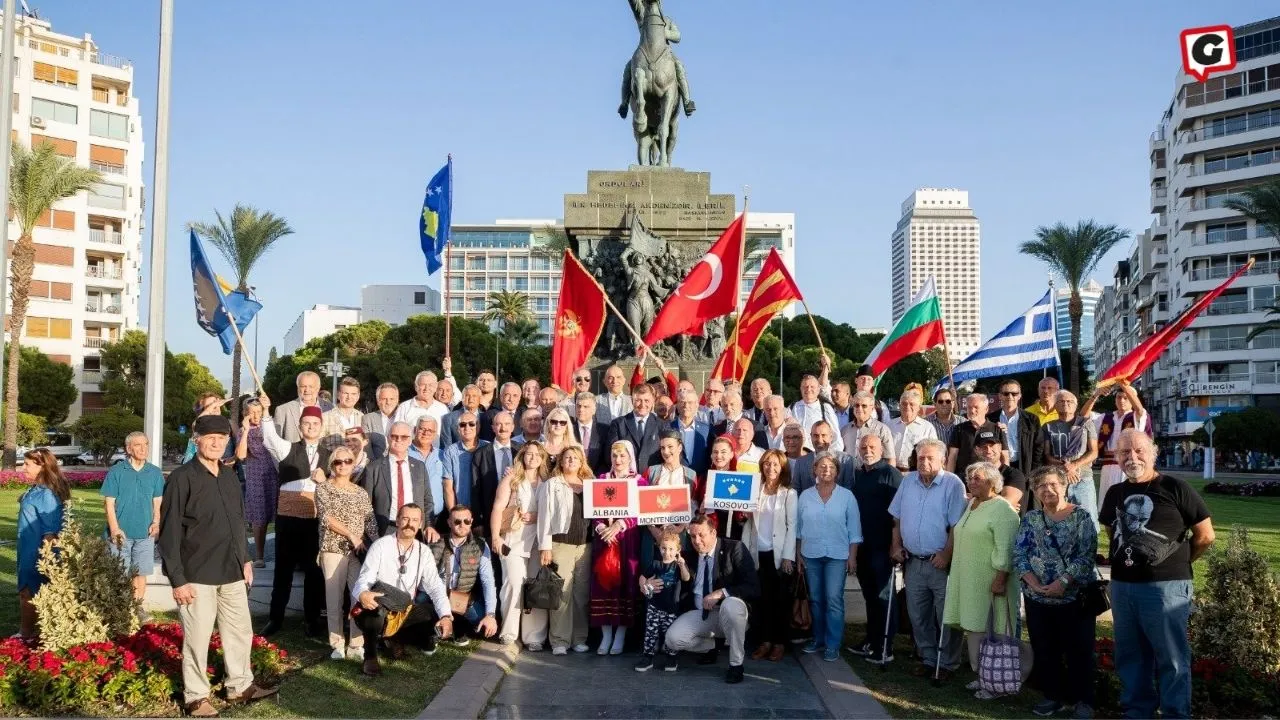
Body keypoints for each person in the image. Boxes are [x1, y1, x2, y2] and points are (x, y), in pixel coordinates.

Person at [159, 415, 278, 716]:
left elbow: (238, 523)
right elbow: (169, 531)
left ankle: (239, 686)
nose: (216, 442)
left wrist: (246, 560)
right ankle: (196, 696)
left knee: (240, 632)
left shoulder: (228, 476)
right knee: (197, 639)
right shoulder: (181, 479)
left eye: (222, 437)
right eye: (209, 437)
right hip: (197, 574)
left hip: (233, 571)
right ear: (196, 439)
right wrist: (177, 579)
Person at [1099, 430, 1215, 720]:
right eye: (1124, 452)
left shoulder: (1176, 488)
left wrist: (1178, 562)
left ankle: (1176, 714)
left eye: (1138, 450)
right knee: (1130, 656)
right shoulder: (1115, 492)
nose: (1131, 457)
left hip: (1166, 588)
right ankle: (1137, 712)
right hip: (1124, 587)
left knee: (1172, 657)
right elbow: (1112, 533)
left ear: (1152, 453)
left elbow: (1205, 536)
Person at [1014, 466, 1098, 718]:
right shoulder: (1031, 519)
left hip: (1073, 598)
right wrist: (1033, 583)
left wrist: (1062, 582)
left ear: (1065, 486)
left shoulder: (1081, 517)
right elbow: (1019, 554)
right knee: (1045, 648)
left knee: (1079, 650)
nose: (1048, 489)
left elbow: (1086, 556)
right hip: (1037, 598)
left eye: (1053, 484)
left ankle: (1083, 700)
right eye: (1041, 486)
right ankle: (1052, 696)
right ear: (1034, 491)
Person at [942, 462, 1025, 699]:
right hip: (969, 580)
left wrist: (1000, 579)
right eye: (970, 478)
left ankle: (997, 683)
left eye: (977, 478)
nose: (971, 482)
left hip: (991, 583)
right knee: (975, 627)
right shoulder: (973, 504)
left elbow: (1007, 549)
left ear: (993, 482)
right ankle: (982, 675)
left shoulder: (1003, 510)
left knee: (995, 629)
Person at [889, 439, 967, 681]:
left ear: (942, 460)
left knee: (946, 615)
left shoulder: (953, 484)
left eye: (930, 458)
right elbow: (897, 518)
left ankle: (948, 662)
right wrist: (896, 545)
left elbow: (957, 525)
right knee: (918, 614)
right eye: (920, 457)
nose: (924, 462)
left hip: (939, 563)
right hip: (913, 562)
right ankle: (928, 657)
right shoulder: (908, 481)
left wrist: (946, 554)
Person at [351, 503, 454, 677]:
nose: (409, 524)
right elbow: (364, 578)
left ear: (420, 524)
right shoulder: (381, 545)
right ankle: (370, 656)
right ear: (397, 521)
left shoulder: (424, 552)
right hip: (380, 606)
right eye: (405, 518)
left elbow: (435, 586)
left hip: (404, 610)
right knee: (373, 613)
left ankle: (393, 639)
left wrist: (446, 616)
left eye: (415, 520)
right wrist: (363, 593)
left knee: (431, 614)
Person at [256, 396, 328, 638]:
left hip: (314, 521)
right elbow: (269, 438)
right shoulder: (287, 447)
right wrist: (266, 410)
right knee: (283, 570)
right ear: (299, 426)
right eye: (306, 423)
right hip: (288, 519)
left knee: (313, 571)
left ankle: (311, 620)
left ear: (321, 427)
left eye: (315, 424)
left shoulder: (330, 455)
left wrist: (325, 480)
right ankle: (275, 619)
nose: (310, 427)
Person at [664, 515, 760, 683]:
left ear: (713, 532)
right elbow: (665, 569)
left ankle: (736, 664)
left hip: (730, 614)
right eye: (693, 536)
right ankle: (713, 646)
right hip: (702, 614)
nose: (697, 541)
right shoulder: (688, 555)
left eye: (701, 535)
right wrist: (647, 579)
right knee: (673, 639)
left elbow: (753, 587)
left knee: (731, 605)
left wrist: (721, 593)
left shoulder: (734, 548)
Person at [798, 452, 862, 662]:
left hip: (837, 555)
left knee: (833, 599)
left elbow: (854, 530)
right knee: (816, 599)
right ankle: (818, 639)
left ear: (837, 471)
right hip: (811, 554)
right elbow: (799, 529)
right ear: (814, 470)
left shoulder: (847, 496)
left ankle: (832, 644)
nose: (826, 470)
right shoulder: (805, 495)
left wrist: (852, 558)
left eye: (831, 467)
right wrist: (798, 555)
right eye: (822, 467)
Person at [315, 445, 377, 660]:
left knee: (357, 595)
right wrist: (351, 535)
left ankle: (356, 644)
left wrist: (376, 547)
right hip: (333, 549)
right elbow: (326, 518)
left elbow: (370, 522)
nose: (342, 465)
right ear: (332, 465)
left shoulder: (360, 492)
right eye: (337, 462)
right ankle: (337, 644)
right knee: (333, 598)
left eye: (347, 461)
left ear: (353, 464)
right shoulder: (324, 488)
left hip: (357, 552)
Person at [847, 434, 903, 665]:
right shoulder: (859, 474)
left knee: (883, 596)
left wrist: (895, 545)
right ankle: (872, 640)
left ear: (881, 448)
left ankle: (885, 647)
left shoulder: (891, 474)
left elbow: (899, 514)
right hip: (862, 545)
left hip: (883, 545)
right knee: (870, 595)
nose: (867, 450)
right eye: (863, 447)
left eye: (872, 446)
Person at [491, 441, 549, 648]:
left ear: (542, 459)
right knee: (513, 584)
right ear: (522, 456)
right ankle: (508, 632)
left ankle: (534, 637)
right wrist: (496, 537)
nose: (532, 458)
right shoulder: (512, 479)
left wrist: (537, 515)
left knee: (535, 588)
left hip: (538, 541)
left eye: (536, 455)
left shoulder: (548, 482)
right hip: (513, 541)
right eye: (528, 454)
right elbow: (498, 508)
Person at [537, 446, 594, 655]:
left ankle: (579, 638)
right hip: (561, 544)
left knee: (581, 594)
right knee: (561, 593)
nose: (571, 461)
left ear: (582, 462)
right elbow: (544, 516)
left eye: (575, 458)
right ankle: (559, 640)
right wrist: (545, 546)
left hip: (586, 545)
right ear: (561, 461)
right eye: (567, 458)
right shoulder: (552, 485)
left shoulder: (591, 484)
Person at [101, 431, 165, 620]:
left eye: (146, 444)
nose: (143, 448)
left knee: (140, 572)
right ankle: (120, 608)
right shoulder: (117, 472)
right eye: (138, 445)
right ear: (128, 449)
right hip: (121, 533)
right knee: (120, 572)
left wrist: (156, 522)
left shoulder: (154, 472)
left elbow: (157, 501)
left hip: (145, 533)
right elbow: (109, 503)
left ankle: (137, 608)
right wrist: (114, 529)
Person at [590, 441, 646, 655]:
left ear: (630, 457)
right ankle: (605, 636)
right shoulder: (602, 479)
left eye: (622, 456)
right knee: (603, 585)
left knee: (626, 584)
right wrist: (602, 527)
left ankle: (620, 635)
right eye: (614, 455)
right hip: (605, 541)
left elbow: (641, 509)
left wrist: (619, 525)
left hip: (627, 541)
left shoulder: (639, 482)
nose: (618, 460)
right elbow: (594, 510)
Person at [745, 450, 798, 663]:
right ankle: (764, 641)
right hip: (758, 553)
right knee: (762, 601)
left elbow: (792, 526)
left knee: (781, 602)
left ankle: (779, 643)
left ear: (782, 467)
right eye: (767, 464)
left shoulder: (789, 493)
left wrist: (788, 557)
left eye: (776, 464)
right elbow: (748, 522)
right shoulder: (754, 489)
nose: (771, 468)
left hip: (779, 556)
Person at [428, 504, 499, 646]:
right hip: (438, 595)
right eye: (457, 521)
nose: (462, 525)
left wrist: (490, 615)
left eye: (466, 521)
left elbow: (488, 581)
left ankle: (456, 627)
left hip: (463, 597)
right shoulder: (437, 543)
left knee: (483, 626)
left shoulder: (480, 545)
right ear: (449, 522)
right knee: (422, 599)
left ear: (471, 521)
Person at [16, 447, 68, 639]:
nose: (23, 468)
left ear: (42, 466)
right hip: (27, 546)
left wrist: (45, 559)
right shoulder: (36, 490)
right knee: (28, 591)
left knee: (28, 592)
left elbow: (50, 532)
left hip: (36, 552)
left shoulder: (46, 494)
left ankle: (26, 634)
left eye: (27, 464)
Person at [360, 421, 433, 539]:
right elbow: (365, 505)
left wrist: (429, 525)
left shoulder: (419, 466)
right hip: (385, 528)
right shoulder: (373, 468)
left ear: (410, 440)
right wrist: (371, 533)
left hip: (414, 529)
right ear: (388, 438)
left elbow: (427, 500)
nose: (398, 440)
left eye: (404, 437)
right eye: (394, 436)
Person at [1082, 382, 1152, 503]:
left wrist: (1123, 384)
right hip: (1108, 464)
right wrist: (1096, 395)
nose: (1122, 400)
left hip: (1129, 463)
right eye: (1119, 397)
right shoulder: (1105, 417)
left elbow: (1140, 410)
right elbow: (1083, 415)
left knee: (1127, 500)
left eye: (1126, 397)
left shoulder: (1137, 417)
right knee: (1108, 500)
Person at [1041, 390, 1100, 526]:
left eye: (1070, 401)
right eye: (1061, 401)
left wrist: (1074, 465)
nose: (1066, 404)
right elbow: (1047, 455)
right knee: (1059, 520)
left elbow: (1093, 452)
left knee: (1087, 520)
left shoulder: (1085, 424)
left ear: (1076, 405)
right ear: (1055, 405)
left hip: (1083, 479)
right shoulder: (1048, 427)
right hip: (1058, 481)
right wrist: (1066, 467)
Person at [635, 531, 691, 672]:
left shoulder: (678, 566)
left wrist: (682, 565)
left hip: (671, 607)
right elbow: (642, 576)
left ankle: (671, 657)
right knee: (650, 632)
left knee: (670, 633)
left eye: (671, 549)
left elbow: (686, 578)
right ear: (659, 547)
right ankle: (648, 657)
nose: (667, 552)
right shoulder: (655, 563)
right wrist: (643, 585)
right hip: (654, 605)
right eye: (664, 548)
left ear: (678, 550)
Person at [236, 395, 278, 567]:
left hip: (274, 474)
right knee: (259, 518)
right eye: (251, 412)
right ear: (245, 413)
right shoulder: (242, 431)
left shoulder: (271, 425)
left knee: (279, 514)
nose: (255, 415)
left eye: (258, 411)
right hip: (255, 477)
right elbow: (242, 455)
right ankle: (259, 556)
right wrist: (245, 431)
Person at [471, 411, 518, 538]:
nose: (503, 428)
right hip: (489, 513)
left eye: (507, 424)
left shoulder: (521, 451)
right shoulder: (481, 454)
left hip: (516, 514)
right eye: (498, 424)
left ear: (513, 427)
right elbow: (475, 489)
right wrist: (477, 520)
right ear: (492, 428)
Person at [988, 378, 1042, 476]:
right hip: (997, 467)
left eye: (1014, 393)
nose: (1010, 396)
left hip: (1024, 467)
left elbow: (1038, 447)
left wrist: (1034, 470)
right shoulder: (990, 419)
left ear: (1019, 396)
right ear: (1000, 396)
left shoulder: (1031, 419)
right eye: (1006, 393)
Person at [946, 392, 1008, 475]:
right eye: (969, 407)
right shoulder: (959, 429)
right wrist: (950, 478)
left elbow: (1005, 456)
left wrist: (1006, 478)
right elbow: (952, 456)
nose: (972, 410)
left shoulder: (997, 428)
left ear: (986, 409)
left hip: (990, 478)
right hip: (965, 478)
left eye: (976, 407)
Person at [442, 410, 488, 512]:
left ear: (478, 427)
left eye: (472, 424)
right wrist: (453, 513)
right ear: (458, 429)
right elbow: (447, 487)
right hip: (461, 509)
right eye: (462, 425)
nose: (467, 428)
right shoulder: (450, 451)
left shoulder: (488, 448)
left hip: (485, 510)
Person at [609, 383, 663, 469]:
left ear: (653, 401)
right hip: (627, 477)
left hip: (652, 478)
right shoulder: (618, 424)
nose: (642, 405)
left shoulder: (661, 425)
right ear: (631, 400)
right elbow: (610, 454)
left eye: (646, 401)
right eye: (638, 400)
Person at [974, 430, 1029, 513]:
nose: (988, 450)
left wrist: (974, 501)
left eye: (992, 446)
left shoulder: (1013, 475)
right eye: (984, 447)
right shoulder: (971, 475)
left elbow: (1005, 505)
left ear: (1000, 448)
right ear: (976, 450)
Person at [792, 420, 854, 492]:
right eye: (816, 435)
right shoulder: (801, 462)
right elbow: (796, 492)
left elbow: (848, 490)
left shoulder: (845, 460)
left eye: (823, 435)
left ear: (831, 437)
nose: (820, 440)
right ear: (811, 437)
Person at [841, 391, 896, 469]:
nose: (859, 409)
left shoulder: (882, 429)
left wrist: (888, 478)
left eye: (864, 406)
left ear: (872, 408)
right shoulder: (845, 430)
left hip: (872, 476)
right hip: (849, 476)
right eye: (856, 405)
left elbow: (890, 459)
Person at [273, 370, 333, 442]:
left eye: (311, 386)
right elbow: (275, 441)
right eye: (303, 386)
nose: (307, 390)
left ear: (318, 388)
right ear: (298, 388)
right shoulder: (283, 410)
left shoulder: (330, 409)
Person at [888, 388, 937, 472]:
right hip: (892, 471)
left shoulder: (927, 428)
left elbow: (933, 453)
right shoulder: (889, 425)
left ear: (918, 408)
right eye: (904, 403)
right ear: (899, 406)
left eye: (912, 404)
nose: (907, 407)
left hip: (916, 472)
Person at [671, 389, 711, 475]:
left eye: (690, 402)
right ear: (677, 405)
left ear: (697, 405)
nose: (686, 405)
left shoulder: (706, 430)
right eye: (682, 402)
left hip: (700, 479)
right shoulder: (668, 428)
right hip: (676, 477)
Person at [572, 392, 610, 476]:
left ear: (594, 410)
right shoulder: (569, 429)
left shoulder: (605, 430)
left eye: (586, 407)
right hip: (574, 479)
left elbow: (607, 460)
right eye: (578, 406)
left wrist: (594, 478)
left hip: (597, 478)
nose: (581, 409)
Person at [322, 377, 365, 450]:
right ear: (338, 395)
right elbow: (319, 446)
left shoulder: (363, 417)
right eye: (346, 393)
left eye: (353, 394)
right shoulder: (325, 417)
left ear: (358, 396)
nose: (349, 397)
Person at [362, 382, 400, 460]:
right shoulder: (368, 419)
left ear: (397, 400)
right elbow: (366, 447)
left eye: (391, 399)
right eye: (384, 399)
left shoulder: (403, 417)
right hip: (376, 464)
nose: (388, 402)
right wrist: (375, 466)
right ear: (378, 401)